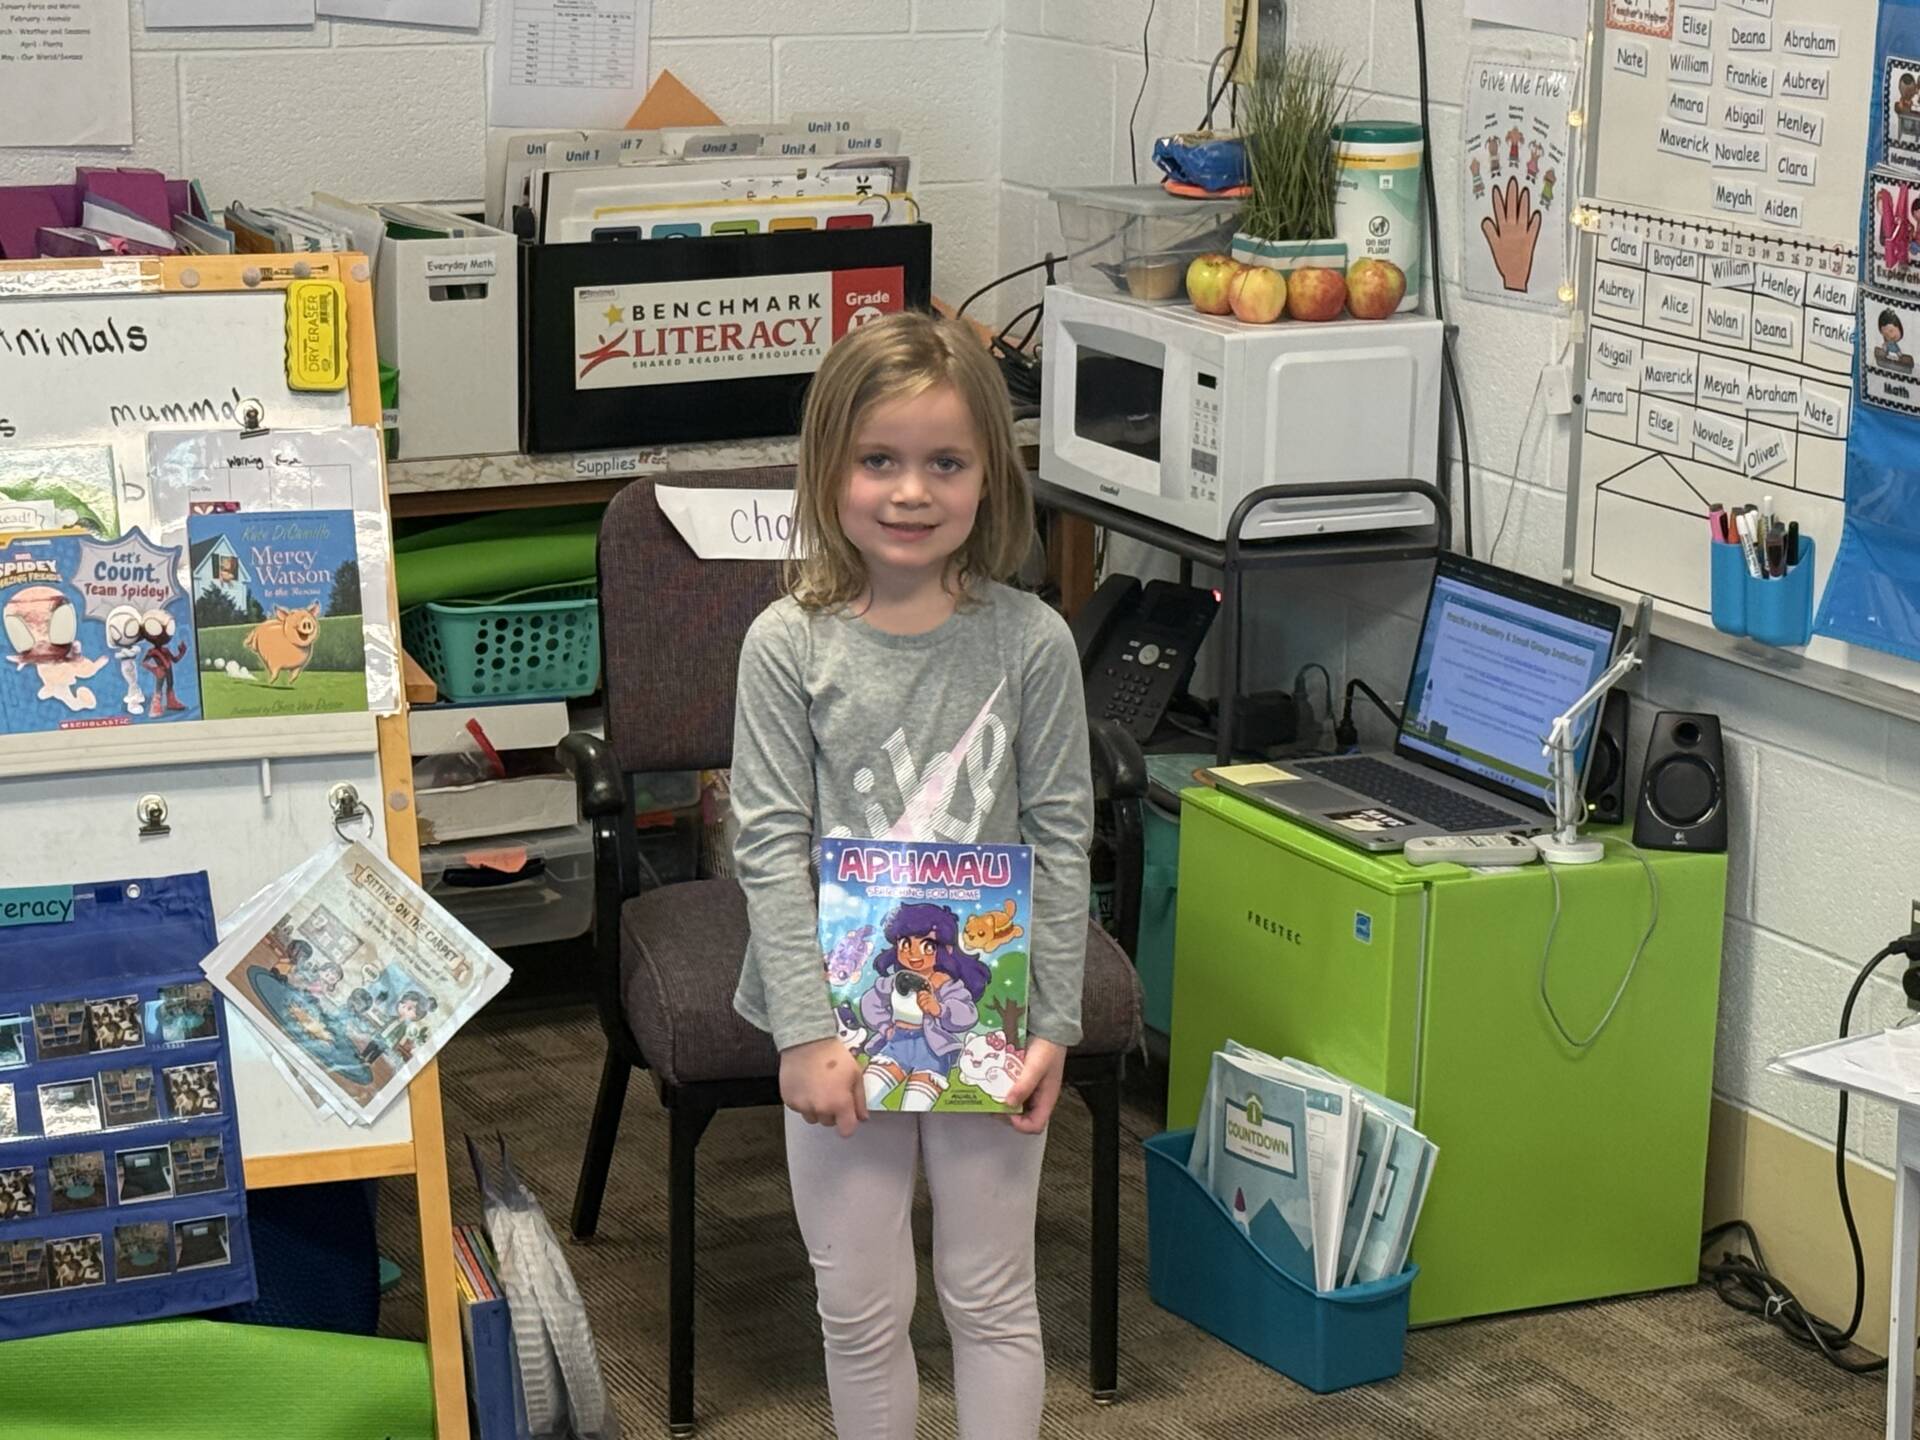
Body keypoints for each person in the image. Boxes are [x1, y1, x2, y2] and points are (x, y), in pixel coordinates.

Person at [730, 309, 1093, 1440]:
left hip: (987, 1014)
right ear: (829, 468)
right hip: (835, 1017)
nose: (910, 492)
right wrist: (802, 1033)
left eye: (946, 463)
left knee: (989, 1296)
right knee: (858, 1304)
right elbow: (765, 842)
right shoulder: (788, 644)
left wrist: (1055, 1021)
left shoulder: (1031, 641)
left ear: (991, 476)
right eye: (878, 460)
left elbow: (1065, 833)